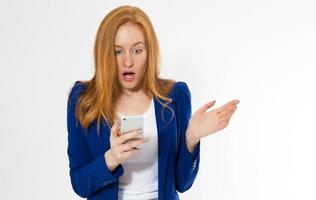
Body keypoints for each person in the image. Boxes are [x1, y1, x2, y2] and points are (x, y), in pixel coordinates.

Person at [66, 5, 239, 200]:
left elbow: (182, 183)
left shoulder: (175, 96)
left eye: (137, 50)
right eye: (117, 52)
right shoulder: (83, 99)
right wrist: (112, 158)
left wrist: (191, 138)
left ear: (149, 52)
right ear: (104, 54)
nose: (128, 61)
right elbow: (79, 184)